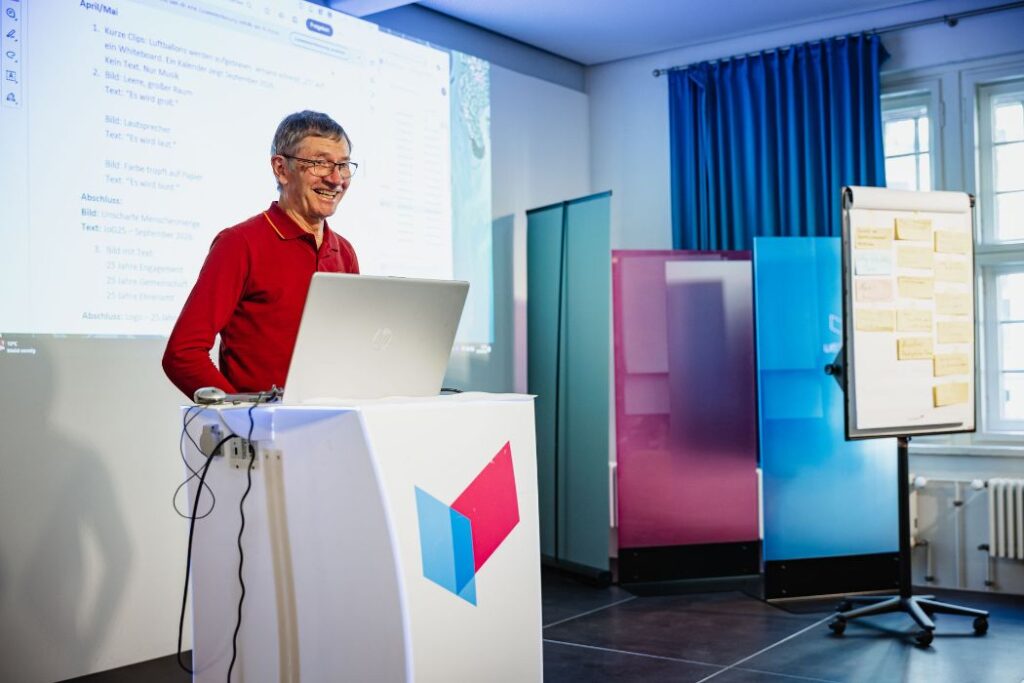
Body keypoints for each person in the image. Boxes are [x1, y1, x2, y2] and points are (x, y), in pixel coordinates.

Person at [162, 110, 359, 399]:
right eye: (320, 164)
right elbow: (183, 354)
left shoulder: (344, 252)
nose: (336, 178)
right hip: (264, 426)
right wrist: (242, 413)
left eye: (343, 165)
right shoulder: (239, 243)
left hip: (334, 421)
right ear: (281, 169)